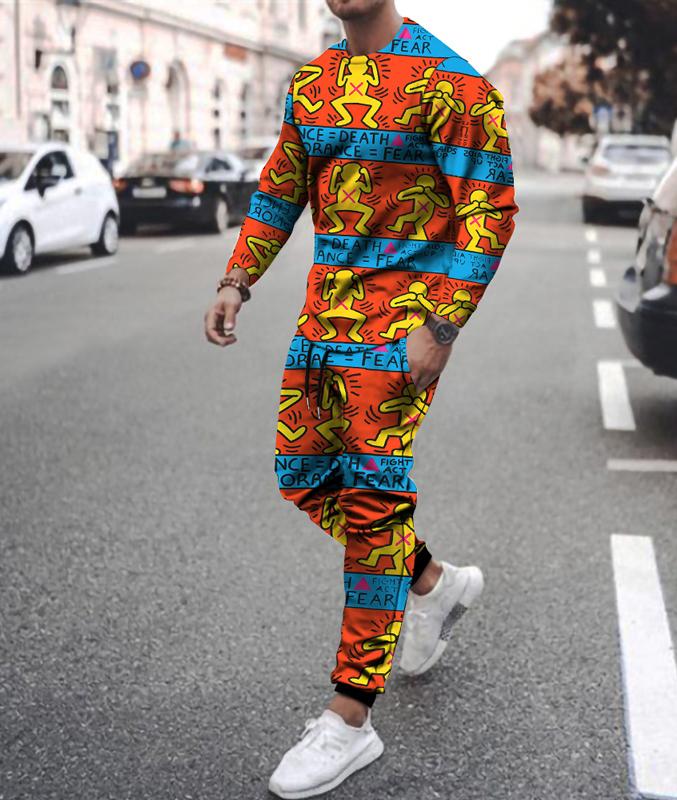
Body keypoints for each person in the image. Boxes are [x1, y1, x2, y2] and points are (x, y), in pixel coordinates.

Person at [204, 1, 518, 796]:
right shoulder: (313, 82)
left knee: (375, 507)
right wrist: (238, 278)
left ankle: (350, 718)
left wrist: (441, 326)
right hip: (321, 324)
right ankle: (432, 582)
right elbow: (280, 188)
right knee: (303, 477)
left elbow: (489, 209)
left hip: (399, 333)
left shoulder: (451, 83)